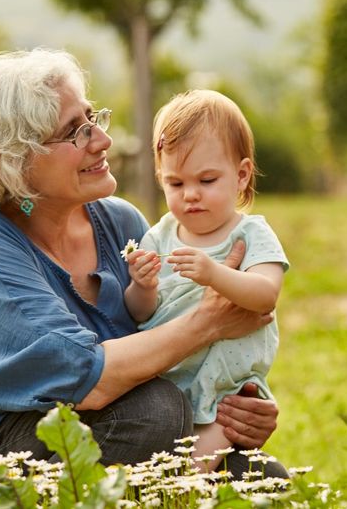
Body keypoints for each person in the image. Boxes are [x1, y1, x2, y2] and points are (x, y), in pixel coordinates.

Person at [0, 49, 285, 480]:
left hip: (87, 429)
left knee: (261, 477)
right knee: (155, 413)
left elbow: (162, 341)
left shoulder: (120, 222)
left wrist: (237, 404)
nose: (102, 140)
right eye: (75, 132)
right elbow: (86, 380)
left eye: (94, 119)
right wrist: (211, 322)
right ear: (13, 161)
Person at [123, 89, 287, 473]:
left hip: (226, 387)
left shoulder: (250, 234)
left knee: (188, 471)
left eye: (207, 180)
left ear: (241, 175)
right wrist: (142, 287)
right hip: (171, 376)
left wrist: (216, 273)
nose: (191, 195)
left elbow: (265, 295)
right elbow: (139, 313)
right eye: (175, 184)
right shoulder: (159, 235)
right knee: (161, 460)